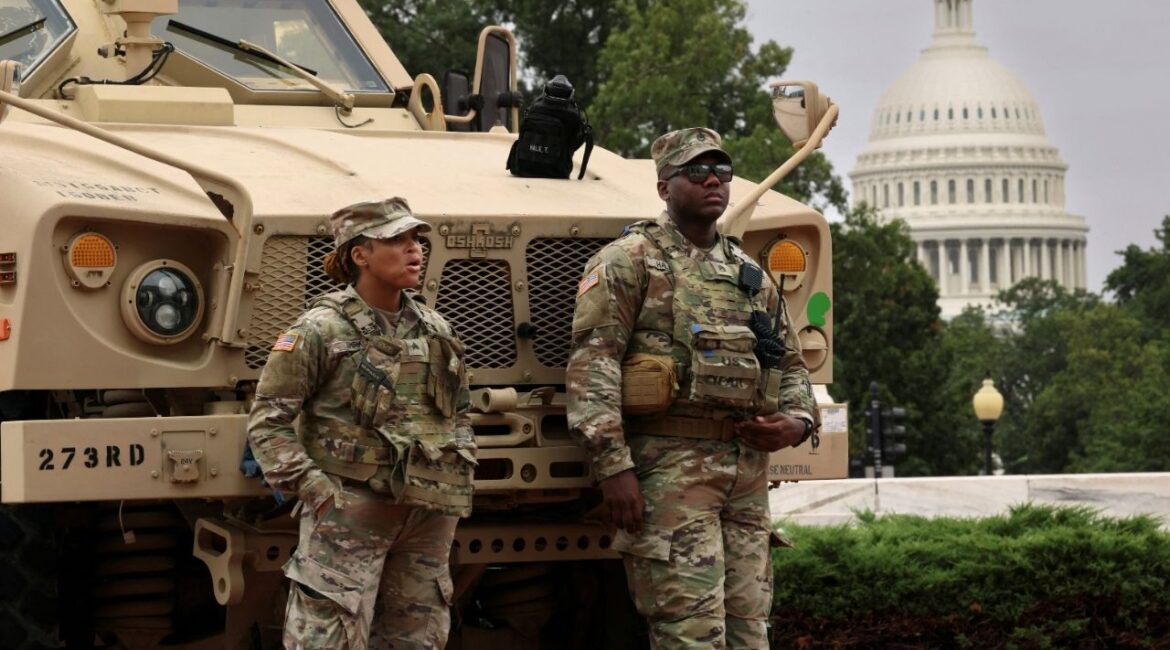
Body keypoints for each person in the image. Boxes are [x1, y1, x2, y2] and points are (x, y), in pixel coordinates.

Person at [565, 127, 819, 649]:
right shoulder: (630, 260)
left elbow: (791, 362)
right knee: (690, 634)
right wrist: (613, 468)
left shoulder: (748, 272)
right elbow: (594, 366)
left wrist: (798, 422)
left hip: (745, 475)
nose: (713, 180)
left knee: (750, 632)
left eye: (722, 171)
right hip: (670, 471)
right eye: (696, 171)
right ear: (664, 187)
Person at [247, 197, 476, 649]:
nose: (415, 250)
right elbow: (267, 423)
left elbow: (460, 413)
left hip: (425, 518)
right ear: (360, 254)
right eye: (396, 239)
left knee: (416, 640)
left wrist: (455, 476)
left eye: (416, 239)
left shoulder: (437, 330)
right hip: (349, 514)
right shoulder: (320, 329)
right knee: (327, 639)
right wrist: (317, 491)